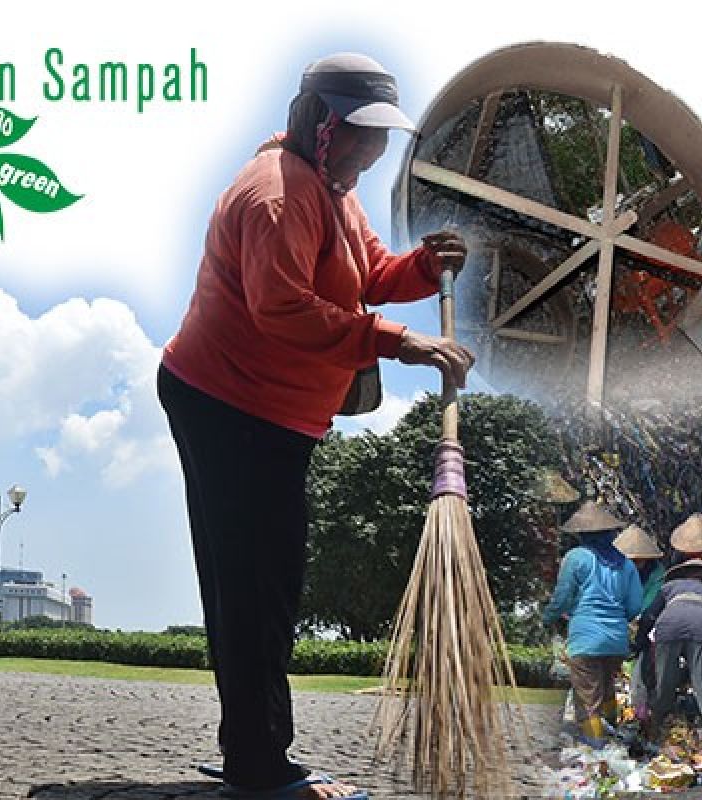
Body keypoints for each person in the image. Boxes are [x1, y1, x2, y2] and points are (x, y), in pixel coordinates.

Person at [158, 52, 475, 800]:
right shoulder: (277, 194)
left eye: (380, 139)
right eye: (359, 134)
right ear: (317, 121)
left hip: (275, 415)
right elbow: (283, 308)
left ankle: (251, 749)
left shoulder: (333, 189)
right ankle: (260, 766)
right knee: (253, 584)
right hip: (227, 404)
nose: (371, 151)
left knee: (266, 582)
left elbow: (367, 274)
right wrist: (399, 342)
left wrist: (424, 271)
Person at [542, 501, 643, 747]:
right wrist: (616, 621)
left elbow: (563, 596)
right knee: (607, 691)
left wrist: (549, 617)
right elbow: (635, 604)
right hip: (616, 640)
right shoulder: (626, 563)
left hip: (586, 638)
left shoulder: (576, 557)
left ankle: (596, 749)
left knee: (588, 699)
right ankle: (614, 741)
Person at [635, 558, 702, 739]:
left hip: (669, 626)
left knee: (664, 679)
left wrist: (640, 641)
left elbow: (650, 615)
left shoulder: (670, 587)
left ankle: (656, 724)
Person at [613, 525, 666, 724]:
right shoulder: (614, 571)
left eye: (640, 560)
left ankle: (639, 714)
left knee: (641, 673)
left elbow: (652, 604)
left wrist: (638, 627)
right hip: (621, 625)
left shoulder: (657, 574)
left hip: (647, 625)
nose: (636, 564)